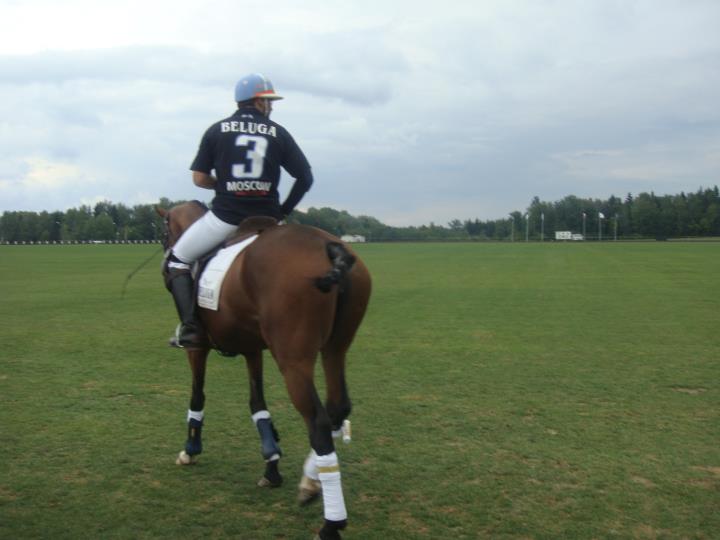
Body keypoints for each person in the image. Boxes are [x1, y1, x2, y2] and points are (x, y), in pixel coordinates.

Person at [164, 73, 313, 348]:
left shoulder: (216, 130)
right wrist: (283, 211)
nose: (271, 106)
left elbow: (199, 178)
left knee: (177, 261)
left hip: (226, 218)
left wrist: (221, 184)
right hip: (268, 220)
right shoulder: (279, 132)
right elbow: (305, 178)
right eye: (268, 101)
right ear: (257, 102)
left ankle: (192, 329)